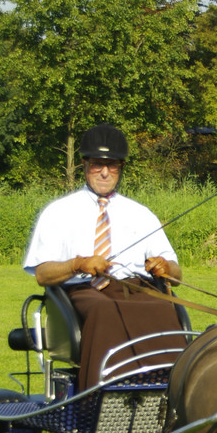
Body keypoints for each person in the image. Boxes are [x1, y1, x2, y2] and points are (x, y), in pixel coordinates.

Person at [23, 124, 184, 389]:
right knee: (104, 311)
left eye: (112, 165)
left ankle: (166, 390)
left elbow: (176, 275)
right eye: (98, 164)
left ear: (121, 167)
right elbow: (42, 274)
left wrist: (165, 267)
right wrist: (78, 264)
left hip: (135, 288)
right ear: (85, 164)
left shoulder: (141, 214)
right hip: (83, 290)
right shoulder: (58, 212)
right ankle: (101, 395)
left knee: (163, 307)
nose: (105, 172)